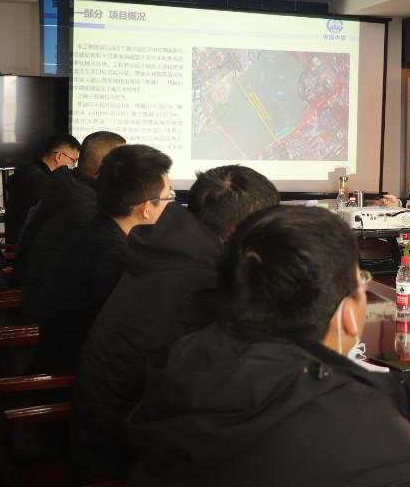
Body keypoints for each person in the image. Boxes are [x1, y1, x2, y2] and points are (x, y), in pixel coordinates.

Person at [127, 205, 410, 487]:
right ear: (348, 314)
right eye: (360, 282)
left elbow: (296, 442)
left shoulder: (189, 358)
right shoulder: (342, 410)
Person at [69, 166, 280, 483]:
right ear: (248, 230)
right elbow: (233, 387)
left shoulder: (167, 250)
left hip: (103, 437)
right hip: (122, 464)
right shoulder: (204, 284)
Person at [36, 144, 173, 372]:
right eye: (169, 197)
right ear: (146, 207)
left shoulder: (100, 229)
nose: (171, 204)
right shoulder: (113, 256)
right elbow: (134, 340)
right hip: (78, 377)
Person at [14, 131, 126, 317]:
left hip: (38, 294)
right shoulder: (87, 207)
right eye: (125, 166)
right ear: (104, 169)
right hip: (48, 314)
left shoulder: (68, 185)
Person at [4, 133, 81, 242]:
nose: (73, 166)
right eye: (73, 161)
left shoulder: (34, 171)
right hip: (25, 245)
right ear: (59, 156)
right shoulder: (37, 180)